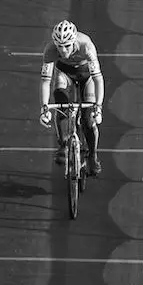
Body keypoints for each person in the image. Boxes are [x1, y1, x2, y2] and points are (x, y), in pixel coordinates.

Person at [38, 20, 104, 175]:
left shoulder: (86, 47)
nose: (63, 50)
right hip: (64, 73)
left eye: (67, 45)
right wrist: (44, 107)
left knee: (89, 120)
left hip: (86, 74)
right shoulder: (50, 50)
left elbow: (98, 79)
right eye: (59, 46)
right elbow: (45, 80)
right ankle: (63, 145)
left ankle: (93, 156)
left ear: (74, 41)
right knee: (61, 105)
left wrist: (98, 107)